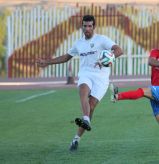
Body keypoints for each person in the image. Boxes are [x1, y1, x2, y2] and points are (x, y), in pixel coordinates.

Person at [36, 15, 123, 151]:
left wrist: (106, 59)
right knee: (83, 89)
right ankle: (86, 119)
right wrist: (47, 62)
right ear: (82, 26)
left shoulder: (102, 40)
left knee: (92, 105)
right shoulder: (79, 43)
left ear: (94, 27)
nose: (87, 28)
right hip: (85, 73)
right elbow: (66, 57)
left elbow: (119, 50)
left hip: (101, 78)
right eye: (85, 26)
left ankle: (76, 138)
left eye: (89, 26)